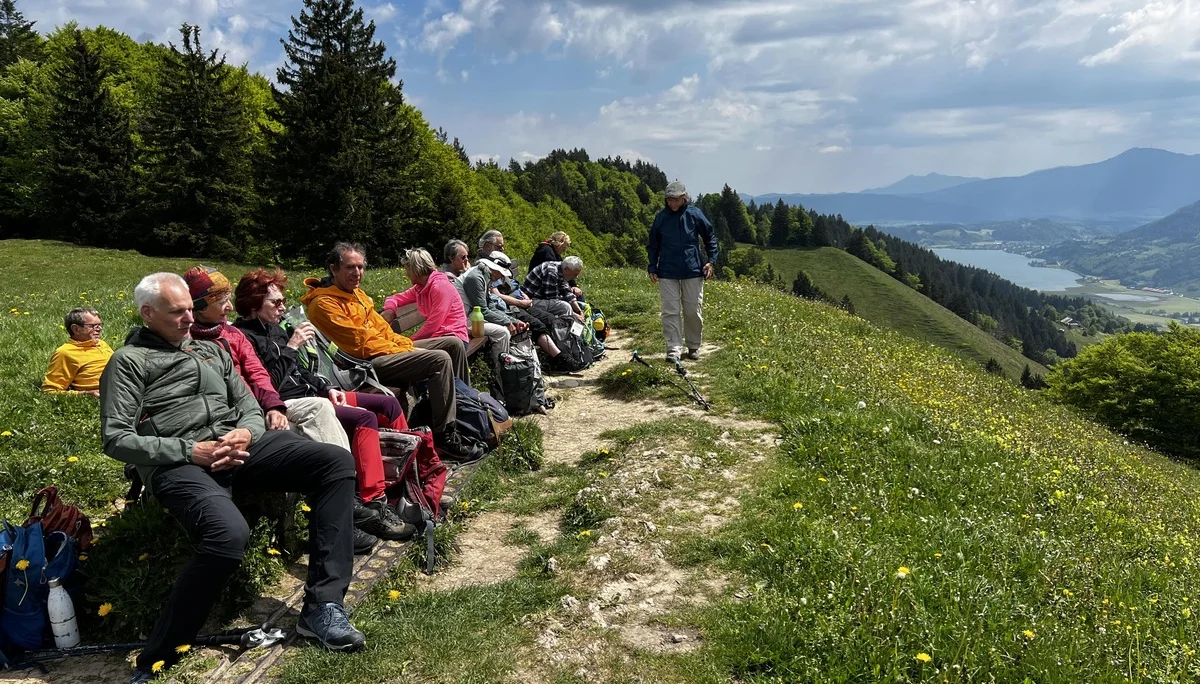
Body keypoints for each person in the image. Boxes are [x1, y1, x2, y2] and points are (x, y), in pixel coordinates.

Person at [101, 273, 363, 684]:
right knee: (228, 535)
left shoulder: (212, 350)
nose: (189, 318)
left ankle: (324, 606)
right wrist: (191, 451)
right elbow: (116, 438)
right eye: (178, 312)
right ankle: (162, 652)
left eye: (191, 308)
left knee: (333, 463)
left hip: (236, 446)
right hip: (179, 462)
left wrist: (246, 432)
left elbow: (248, 406)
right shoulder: (129, 362)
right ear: (148, 314)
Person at [232, 268, 414, 544]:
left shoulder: (275, 330)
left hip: (314, 395)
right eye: (276, 302)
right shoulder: (245, 337)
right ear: (254, 303)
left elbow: (300, 371)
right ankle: (368, 500)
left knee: (386, 404)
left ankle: (402, 486)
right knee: (364, 418)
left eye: (282, 301)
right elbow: (269, 384)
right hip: (289, 403)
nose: (283, 306)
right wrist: (292, 347)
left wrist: (327, 387)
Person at [301, 242, 480, 460]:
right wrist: (402, 345)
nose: (357, 273)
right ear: (333, 269)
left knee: (452, 343)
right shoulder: (324, 304)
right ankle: (445, 437)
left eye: (360, 267)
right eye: (350, 267)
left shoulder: (356, 295)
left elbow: (381, 328)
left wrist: (400, 341)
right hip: (365, 365)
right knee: (440, 359)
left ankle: (464, 410)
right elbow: (361, 344)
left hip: (387, 350)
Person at [647, 180, 718, 363]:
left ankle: (693, 346)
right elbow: (653, 244)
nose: (674, 203)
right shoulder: (661, 217)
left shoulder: (695, 214)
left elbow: (709, 236)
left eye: (677, 199)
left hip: (693, 269)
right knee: (670, 311)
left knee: (692, 310)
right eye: (670, 200)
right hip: (667, 271)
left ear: (684, 198)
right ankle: (673, 349)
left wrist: (711, 261)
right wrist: (652, 266)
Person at [381, 248, 470, 358]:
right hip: (438, 338)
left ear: (415, 269)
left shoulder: (440, 286)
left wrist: (407, 342)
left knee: (402, 351)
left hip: (454, 338)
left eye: (407, 269)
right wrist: (390, 310)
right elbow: (394, 298)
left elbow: (433, 325)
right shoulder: (420, 288)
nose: (406, 273)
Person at [41, 307, 112, 395]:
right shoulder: (65, 353)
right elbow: (50, 390)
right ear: (76, 329)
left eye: (100, 325)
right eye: (92, 326)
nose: (99, 329)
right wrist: (85, 393)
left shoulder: (102, 344)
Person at [523, 256, 585, 321]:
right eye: (575, 274)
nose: (576, 277)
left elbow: (567, 292)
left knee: (576, 299)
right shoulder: (551, 272)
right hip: (530, 300)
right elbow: (553, 298)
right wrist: (574, 315)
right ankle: (564, 327)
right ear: (566, 269)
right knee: (564, 307)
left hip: (543, 298)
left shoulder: (561, 269)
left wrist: (579, 311)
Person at [529, 231, 584, 301]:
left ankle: (580, 309)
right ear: (559, 244)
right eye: (564, 247)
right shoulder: (546, 252)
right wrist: (570, 288)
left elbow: (563, 268)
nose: (564, 250)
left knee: (576, 294)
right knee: (575, 296)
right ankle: (581, 310)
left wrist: (574, 286)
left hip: (544, 286)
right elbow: (556, 274)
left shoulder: (553, 252)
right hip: (539, 289)